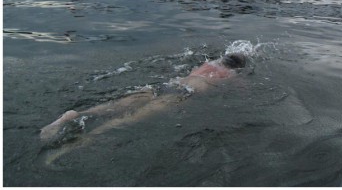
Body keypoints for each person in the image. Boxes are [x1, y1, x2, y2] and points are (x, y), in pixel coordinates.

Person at [39, 53, 247, 147]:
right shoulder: (229, 74)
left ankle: (77, 114)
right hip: (182, 94)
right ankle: (84, 140)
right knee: (130, 118)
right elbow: (239, 90)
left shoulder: (206, 63)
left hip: (167, 85)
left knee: (115, 105)